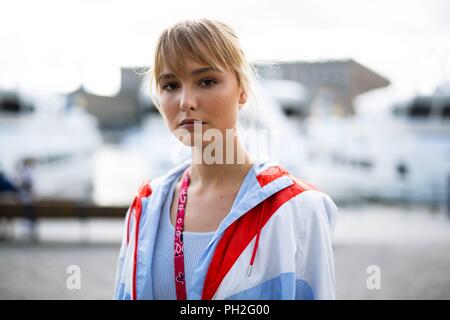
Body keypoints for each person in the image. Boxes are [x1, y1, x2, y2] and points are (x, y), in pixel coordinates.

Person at [114, 19, 337, 300]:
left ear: (242, 91)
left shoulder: (297, 209)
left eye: (206, 81)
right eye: (170, 85)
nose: (186, 101)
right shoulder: (145, 209)